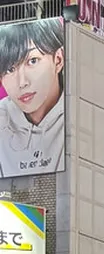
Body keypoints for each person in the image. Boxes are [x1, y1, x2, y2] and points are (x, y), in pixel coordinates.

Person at [0, 17, 65, 176]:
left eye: (32, 61)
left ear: (58, 60)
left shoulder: (80, 112)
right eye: (9, 69)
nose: (22, 82)